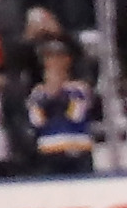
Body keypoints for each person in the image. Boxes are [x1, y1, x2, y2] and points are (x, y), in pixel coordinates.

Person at [24, 39, 100, 173]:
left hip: (78, 152)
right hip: (49, 151)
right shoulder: (38, 92)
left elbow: (76, 115)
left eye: (58, 57)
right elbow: (37, 121)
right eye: (49, 57)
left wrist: (58, 94)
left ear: (67, 60)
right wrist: (49, 95)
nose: (54, 62)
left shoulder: (79, 88)